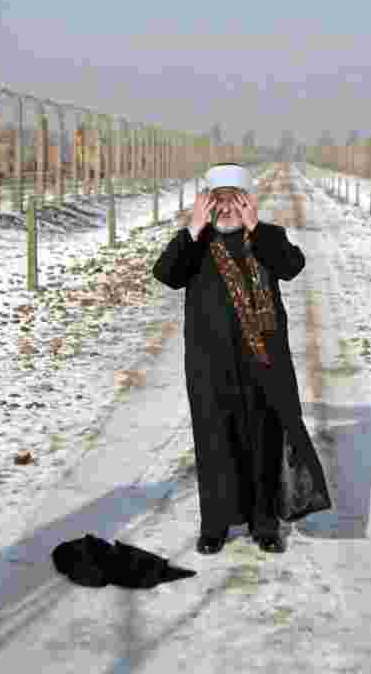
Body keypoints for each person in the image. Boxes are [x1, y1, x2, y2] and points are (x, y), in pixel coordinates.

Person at [152, 163, 332, 555]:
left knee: (263, 442)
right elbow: (166, 273)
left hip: (263, 364)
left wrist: (258, 227)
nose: (227, 209)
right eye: (218, 202)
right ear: (207, 204)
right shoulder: (195, 244)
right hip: (209, 365)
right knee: (215, 442)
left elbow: (292, 266)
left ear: (248, 202)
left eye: (236, 201)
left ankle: (265, 525)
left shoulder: (266, 238)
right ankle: (214, 526)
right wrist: (192, 228)